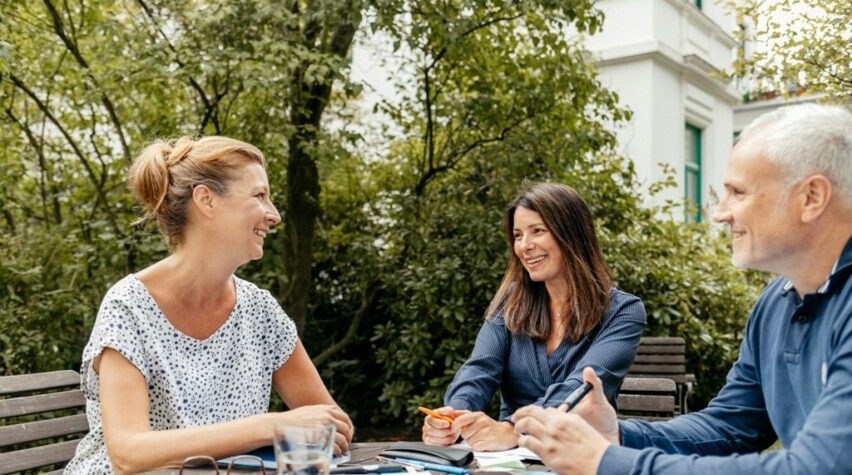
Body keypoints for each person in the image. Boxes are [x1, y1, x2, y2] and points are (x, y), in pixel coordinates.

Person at [512, 104, 852, 474]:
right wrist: (618, 436)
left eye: (738, 193)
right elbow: (729, 426)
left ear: (811, 197)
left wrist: (606, 462)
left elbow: (817, 468)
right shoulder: (775, 303)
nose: (721, 213)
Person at [65, 137, 354, 474]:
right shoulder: (129, 307)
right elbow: (128, 454)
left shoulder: (260, 311)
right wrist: (272, 427)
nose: (273, 215)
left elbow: (334, 428)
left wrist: (305, 430)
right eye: (260, 196)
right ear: (206, 200)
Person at [421, 183, 646, 451]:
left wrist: (514, 430)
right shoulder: (509, 304)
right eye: (517, 235)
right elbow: (479, 369)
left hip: (581, 457)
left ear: (572, 235)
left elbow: (579, 390)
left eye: (537, 231)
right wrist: (454, 417)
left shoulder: (623, 312)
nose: (524, 246)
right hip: (508, 462)